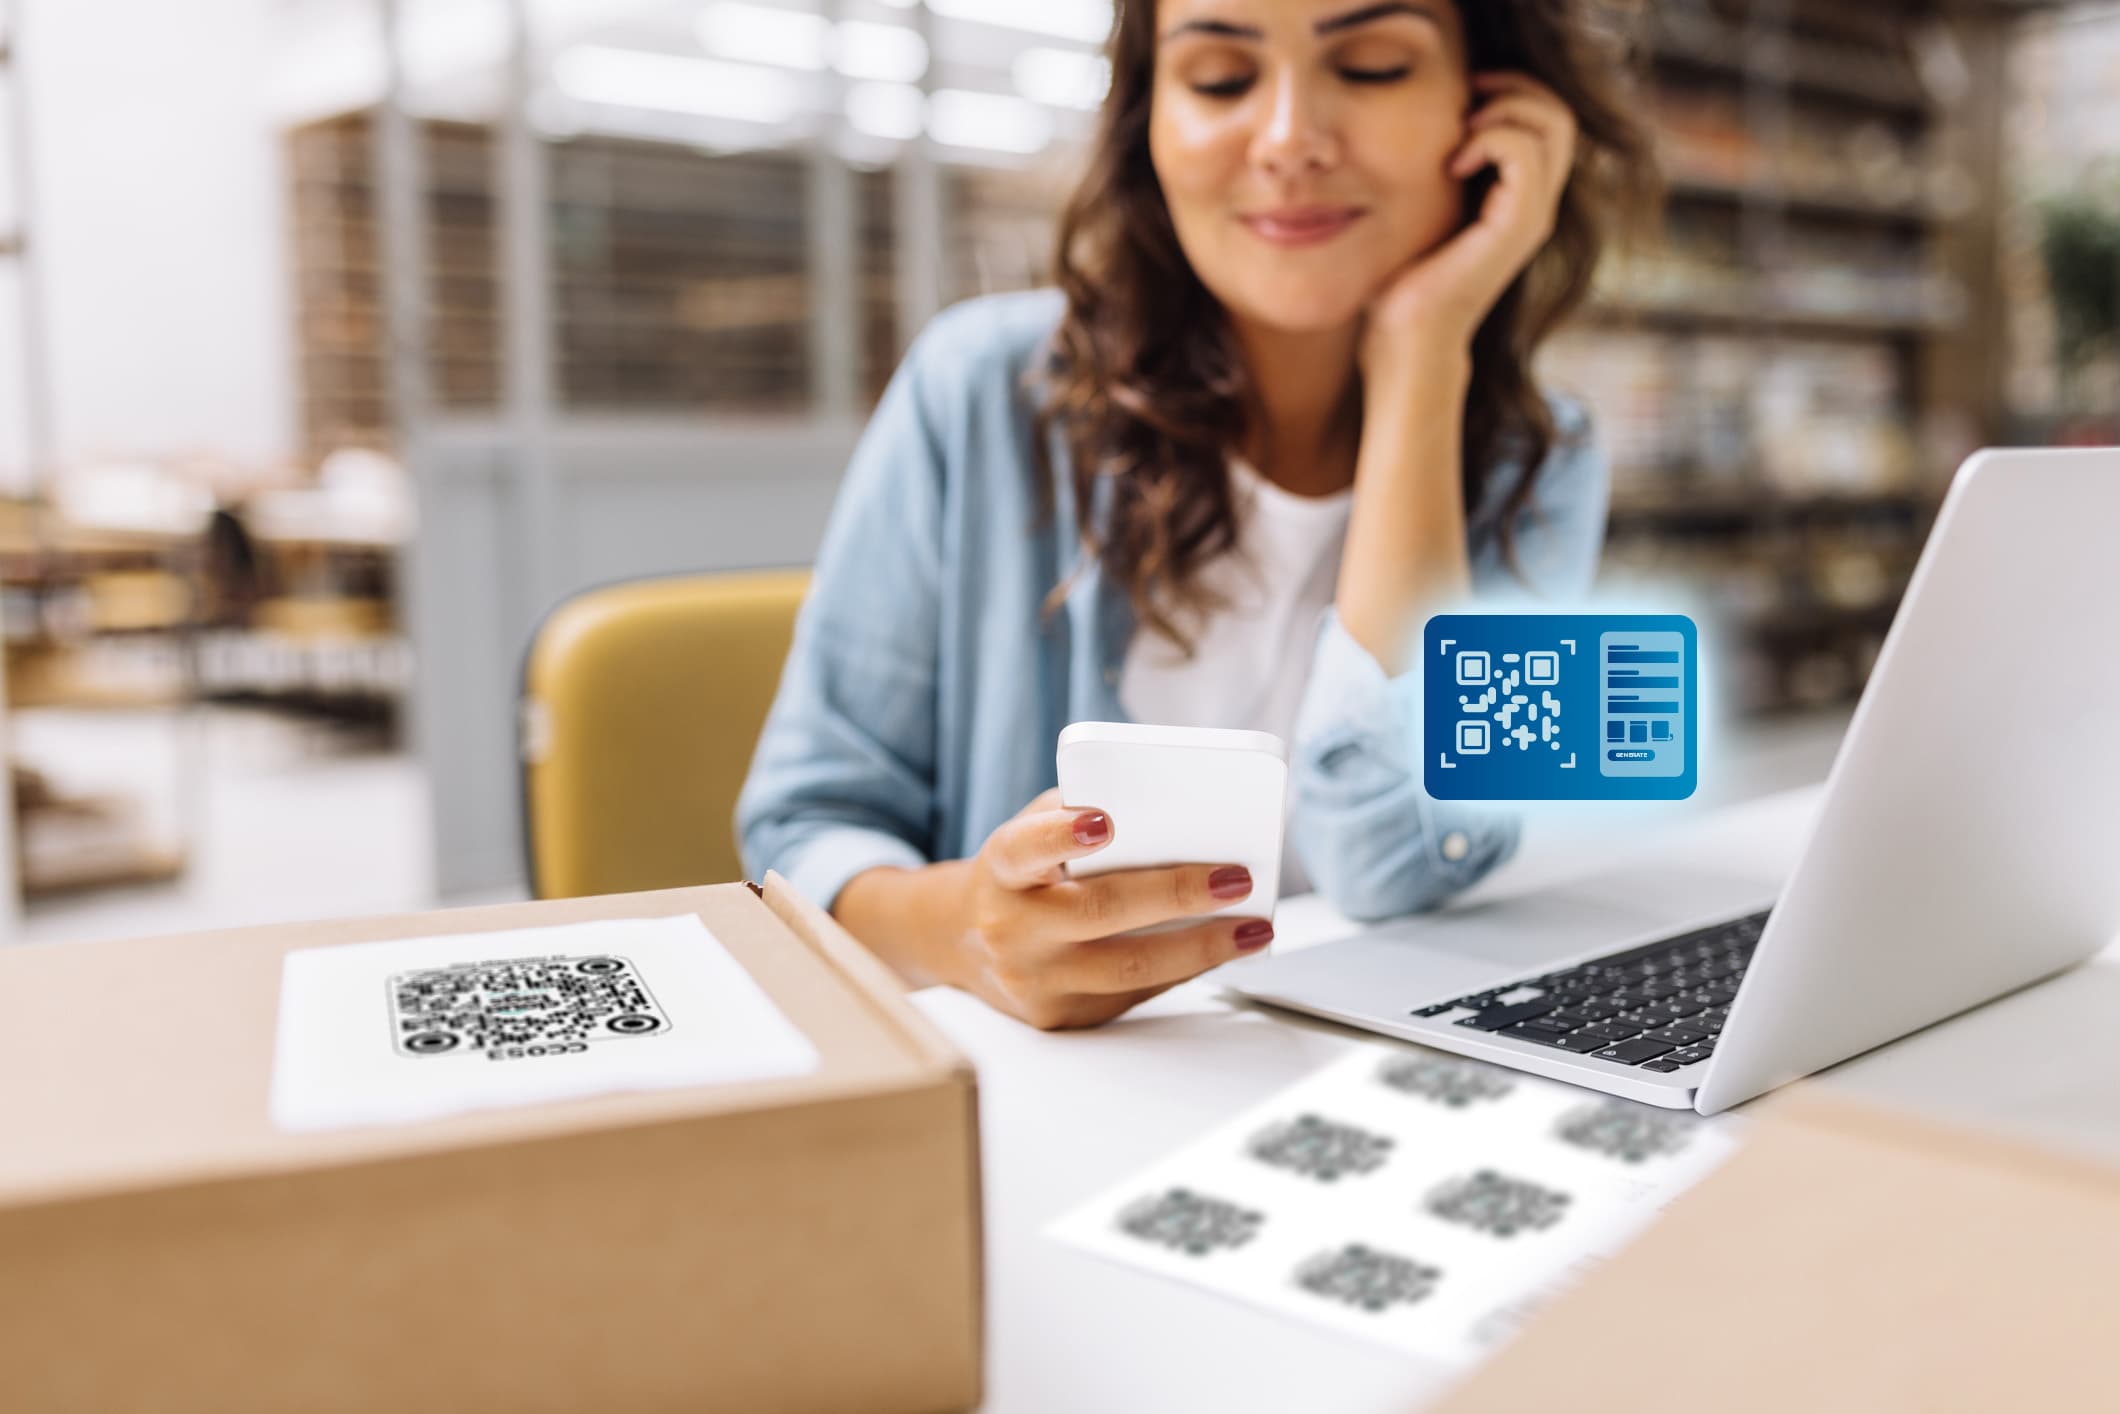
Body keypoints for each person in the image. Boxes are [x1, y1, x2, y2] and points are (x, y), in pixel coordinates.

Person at [739, 0, 1657, 1028]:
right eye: (1220, 80)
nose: (1287, 142)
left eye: (1369, 67)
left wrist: (1421, 359)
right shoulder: (980, 391)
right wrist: (965, 928)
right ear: (1150, 126)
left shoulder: (1543, 462)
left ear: (1486, 110)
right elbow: (803, 827)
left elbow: (1398, 861)